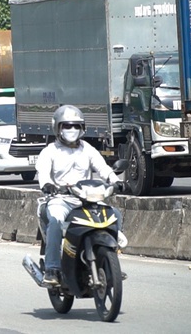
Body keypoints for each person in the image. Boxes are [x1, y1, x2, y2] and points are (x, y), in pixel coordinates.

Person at [35, 105, 126, 286]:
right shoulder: (50, 151)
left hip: (87, 198)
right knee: (55, 221)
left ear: (83, 128)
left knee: (115, 215)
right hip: (61, 200)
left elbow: (103, 168)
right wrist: (47, 185)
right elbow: (43, 173)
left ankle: (111, 260)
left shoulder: (87, 149)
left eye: (76, 126)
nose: (72, 130)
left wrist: (116, 181)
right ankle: (52, 268)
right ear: (58, 128)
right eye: (67, 126)